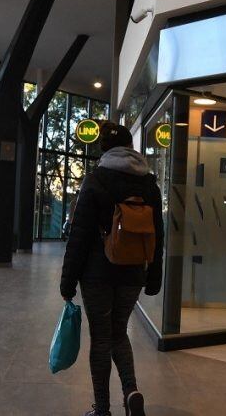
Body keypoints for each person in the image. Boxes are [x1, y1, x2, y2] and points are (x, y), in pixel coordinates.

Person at [61, 122, 163, 416]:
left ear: (103, 148)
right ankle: (131, 392)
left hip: (97, 275)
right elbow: (159, 234)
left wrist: (67, 282)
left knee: (101, 338)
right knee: (119, 333)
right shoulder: (149, 185)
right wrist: (153, 275)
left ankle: (102, 410)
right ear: (130, 147)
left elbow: (79, 236)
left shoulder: (96, 180)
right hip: (133, 273)